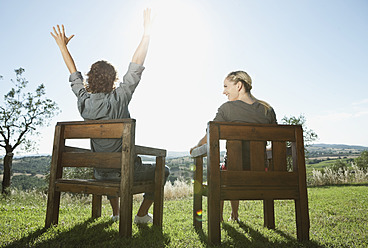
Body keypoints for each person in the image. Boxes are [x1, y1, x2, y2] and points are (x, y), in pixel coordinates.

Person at [51, 8, 170, 224]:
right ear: (114, 80)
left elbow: (73, 76)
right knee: (165, 170)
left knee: (107, 163)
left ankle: (116, 213)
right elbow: (136, 68)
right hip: (124, 171)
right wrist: (146, 33)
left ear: (89, 79)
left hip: (100, 173)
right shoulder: (120, 98)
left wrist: (62, 47)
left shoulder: (83, 102)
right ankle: (142, 215)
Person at [190, 70, 277, 222]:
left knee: (226, 168)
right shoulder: (267, 110)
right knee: (231, 164)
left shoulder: (227, 109)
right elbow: (276, 143)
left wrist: (196, 146)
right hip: (262, 174)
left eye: (226, 86)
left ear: (238, 86)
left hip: (232, 175)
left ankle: (224, 216)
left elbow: (210, 135)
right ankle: (236, 215)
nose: (223, 92)